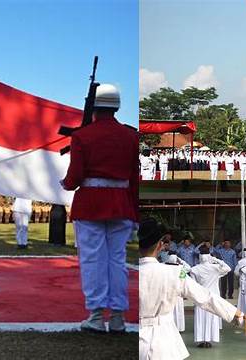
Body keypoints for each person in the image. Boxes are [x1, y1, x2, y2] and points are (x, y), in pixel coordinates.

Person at [61, 83, 138, 333]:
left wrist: (66, 183)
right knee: (117, 260)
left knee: (93, 259)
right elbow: (134, 178)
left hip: (91, 203)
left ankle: (95, 314)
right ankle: (117, 317)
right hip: (121, 202)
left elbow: (75, 177)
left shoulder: (82, 136)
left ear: (94, 106)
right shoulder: (130, 136)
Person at [138, 218, 246, 360]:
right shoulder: (174, 273)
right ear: (160, 246)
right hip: (165, 343)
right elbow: (206, 298)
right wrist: (236, 315)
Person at [190, 246, 231, 348]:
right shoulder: (215, 268)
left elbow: (193, 285)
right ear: (209, 256)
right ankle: (209, 340)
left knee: (201, 318)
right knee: (211, 317)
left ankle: (201, 340)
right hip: (213, 296)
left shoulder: (194, 269)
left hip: (200, 296)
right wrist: (216, 260)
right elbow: (228, 268)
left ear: (199, 256)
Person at [165, 251, 191, 332]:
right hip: (177, 293)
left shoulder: (164, 267)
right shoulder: (181, 268)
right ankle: (179, 328)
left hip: (168, 293)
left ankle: (170, 328)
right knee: (178, 311)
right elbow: (188, 267)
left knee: (169, 312)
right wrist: (181, 260)